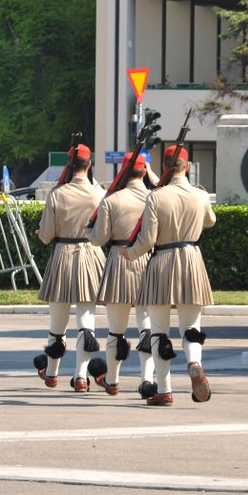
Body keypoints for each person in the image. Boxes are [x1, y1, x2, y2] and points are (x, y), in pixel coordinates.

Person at [123, 144, 216, 406]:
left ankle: (164, 390)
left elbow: (148, 237)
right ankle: (194, 361)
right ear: (186, 167)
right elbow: (210, 221)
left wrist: (131, 253)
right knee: (192, 327)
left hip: (162, 261)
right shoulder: (200, 195)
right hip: (192, 259)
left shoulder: (157, 196)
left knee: (159, 331)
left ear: (164, 167)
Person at [33, 143, 107, 392]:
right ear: (89, 165)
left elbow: (47, 234)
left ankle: (52, 373)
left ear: (69, 166)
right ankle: (81, 377)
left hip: (63, 255)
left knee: (58, 324)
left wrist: (41, 234)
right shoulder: (100, 193)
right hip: (91, 254)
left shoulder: (58, 194)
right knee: (87, 323)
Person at [89, 151, 157, 396]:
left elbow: (98, 239)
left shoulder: (111, 200)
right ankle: (147, 379)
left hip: (119, 260)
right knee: (147, 329)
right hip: (148, 261)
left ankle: (113, 379)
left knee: (115, 330)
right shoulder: (154, 198)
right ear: (144, 171)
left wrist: (89, 230)